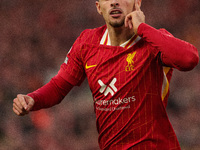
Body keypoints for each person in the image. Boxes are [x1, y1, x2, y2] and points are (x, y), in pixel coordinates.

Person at [13, 0, 199, 149]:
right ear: (98, 7)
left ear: (137, 3)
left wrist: (142, 28)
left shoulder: (153, 41)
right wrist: (33, 99)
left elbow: (189, 59)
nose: (114, 3)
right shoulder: (87, 43)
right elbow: (60, 85)